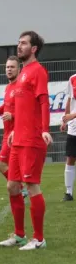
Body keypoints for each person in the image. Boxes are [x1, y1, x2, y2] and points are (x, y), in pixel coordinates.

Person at [0, 31, 52, 250]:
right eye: (18, 42)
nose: (19, 46)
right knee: (12, 186)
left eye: (23, 43)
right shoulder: (22, 74)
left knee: (32, 187)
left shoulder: (37, 71)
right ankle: (20, 235)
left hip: (31, 139)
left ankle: (38, 239)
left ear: (34, 49)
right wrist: (13, 130)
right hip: (18, 140)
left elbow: (43, 102)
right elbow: (22, 107)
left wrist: (45, 129)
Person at [0, 56, 28, 197]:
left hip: (16, 133)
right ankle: (22, 186)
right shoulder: (8, 87)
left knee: (1, 164)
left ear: (19, 69)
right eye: (7, 67)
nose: (9, 70)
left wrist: (13, 116)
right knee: (10, 165)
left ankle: (22, 187)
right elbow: (7, 106)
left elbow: (26, 110)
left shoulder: (21, 87)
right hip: (7, 133)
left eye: (12, 67)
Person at [60, 72, 76, 202]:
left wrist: (73, 115)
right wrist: (65, 120)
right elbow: (70, 100)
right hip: (73, 127)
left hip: (73, 119)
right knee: (70, 158)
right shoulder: (72, 79)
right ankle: (68, 192)